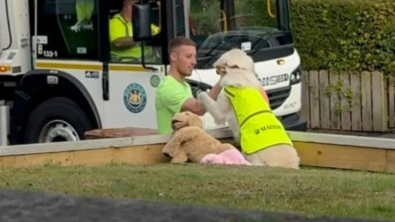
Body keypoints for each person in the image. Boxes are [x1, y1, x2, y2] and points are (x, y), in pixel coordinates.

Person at [155, 36, 223, 135]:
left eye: (194, 56)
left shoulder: (184, 85)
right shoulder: (168, 87)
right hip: (174, 147)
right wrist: (223, 79)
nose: (194, 62)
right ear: (173, 57)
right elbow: (198, 109)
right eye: (188, 56)